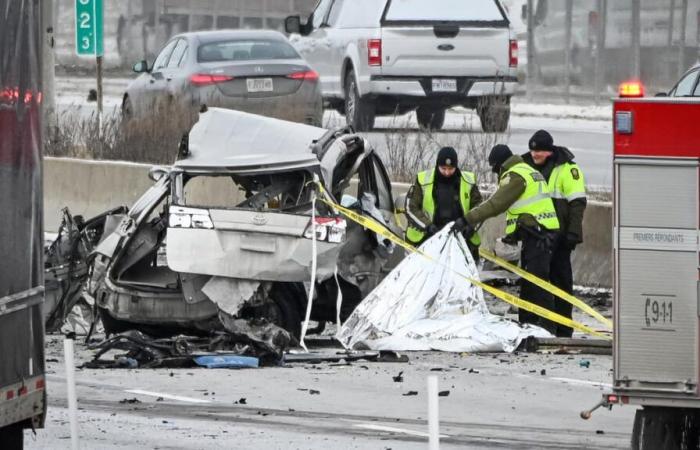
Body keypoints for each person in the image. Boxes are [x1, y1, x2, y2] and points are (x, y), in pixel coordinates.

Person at [459, 144, 560, 334]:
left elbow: (495, 205)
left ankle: (548, 328)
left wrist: (466, 219)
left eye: (494, 168)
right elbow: (525, 208)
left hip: (538, 235)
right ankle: (528, 323)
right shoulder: (527, 170)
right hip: (539, 233)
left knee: (538, 283)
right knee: (530, 282)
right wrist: (513, 234)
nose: (496, 173)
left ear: (499, 164)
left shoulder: (515, 176)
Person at [522, 130, 587, 337]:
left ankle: (563, 328)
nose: (535, 154)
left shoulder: (567, 169)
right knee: (531, 283)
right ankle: (531, 326)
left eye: (539, 151)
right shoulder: (524, 167)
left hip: (560, 238)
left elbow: (577, 204)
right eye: (533, 150)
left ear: (549, 151)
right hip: (535, 236)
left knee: (561, 282)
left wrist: (572, 234)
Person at [405, 146, 482, 260]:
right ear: (437, 165)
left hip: (461, 238)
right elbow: (411, 208)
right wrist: (427, 227)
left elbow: (480, 208)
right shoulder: (423, 180)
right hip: (428, 238)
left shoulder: (469, 181)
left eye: (451, 169)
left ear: (456, 166)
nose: (447, 172)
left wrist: (469, 226)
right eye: (443, 168)